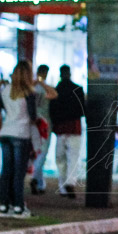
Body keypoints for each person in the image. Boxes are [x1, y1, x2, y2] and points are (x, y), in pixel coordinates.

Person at [0, 61, 36, 217]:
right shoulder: (29, 92)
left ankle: (4, 206)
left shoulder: (5, 91)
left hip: (5, 133)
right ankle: (18, 206)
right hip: (21, 134)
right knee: (19, 173)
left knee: (6, 171)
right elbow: (33, 116)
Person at [49, 65, 86, 198]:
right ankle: (70, 182)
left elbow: (52, 110)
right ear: (70, 74)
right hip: (74, 127)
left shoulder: (56, 90)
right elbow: (83, 110)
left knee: (60, 158)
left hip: (60, 128)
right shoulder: (78, 89)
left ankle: (63, 186)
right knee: (73, 157)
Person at [29, 65, 58, 195]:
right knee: (42, 152)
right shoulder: (44, 88)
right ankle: (36, 178)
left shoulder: (32, 87)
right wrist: (42, 83)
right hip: (44, 123)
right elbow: (54, 94)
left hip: (32, 122)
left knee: (37, 151)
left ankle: (40, 183)